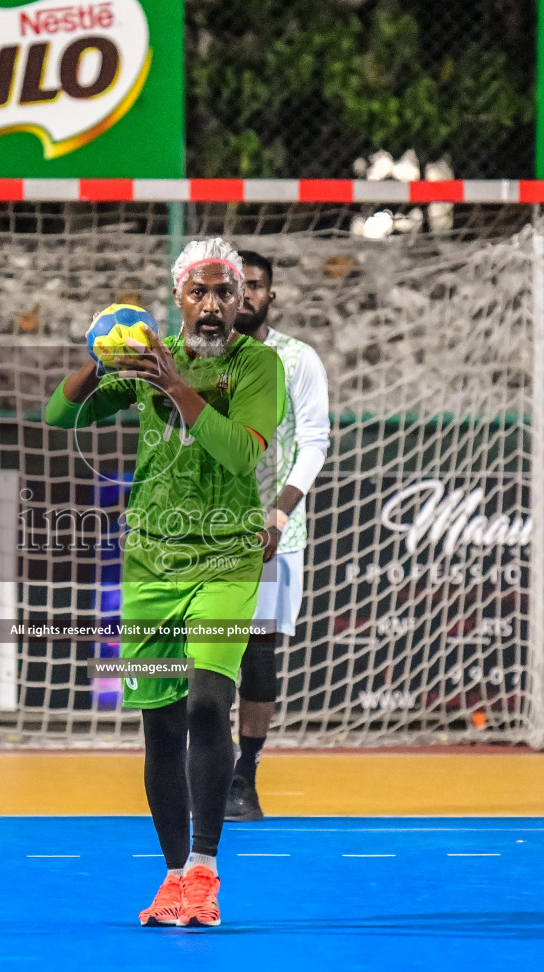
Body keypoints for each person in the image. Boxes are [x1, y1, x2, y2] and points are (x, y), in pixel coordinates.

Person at [44, 238, 285, 927]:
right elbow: (59, 417)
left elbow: (241, 452)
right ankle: (173, 876)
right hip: (150, 563)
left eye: (225, 293)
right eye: (199, 293)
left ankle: (206, 871)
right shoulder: (146, 360)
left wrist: (173, 382)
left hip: (225, 558)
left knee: (210, 703)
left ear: (241, 303)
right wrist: (99, 366)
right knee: (160, 726)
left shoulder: (258, 365)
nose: (212, 306)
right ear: (178, 299)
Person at [226, 250, 331, 823]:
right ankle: (205, 766)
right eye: (233, 287)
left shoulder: (297, 359)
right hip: (203, 533)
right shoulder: (196, 356)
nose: (243, 297)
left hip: (271, 534)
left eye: (255, 287)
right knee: (200, 656)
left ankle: (245, 776)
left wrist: (281, 513)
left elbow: (314, 441)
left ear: (272, 295)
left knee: (257, 654)